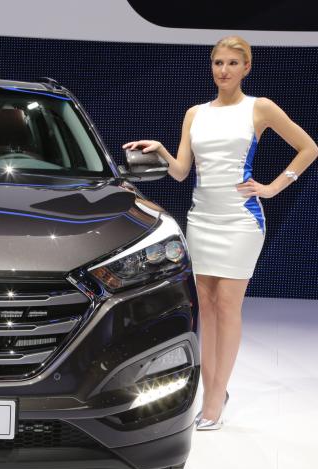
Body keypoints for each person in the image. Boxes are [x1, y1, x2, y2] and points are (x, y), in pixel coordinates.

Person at [123, 36, 318, 430]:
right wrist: (160, 150)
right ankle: (212, 389)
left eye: (232, 63)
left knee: (228, 306)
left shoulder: (259, 108)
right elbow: (182, 172)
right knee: (207, 308)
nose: (224, 70)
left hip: (241, 220)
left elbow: (309, 148)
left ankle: (214, 400)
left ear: (247, 67)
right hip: (202, 219)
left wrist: (273, 188)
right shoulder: (195, 113)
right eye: (218, 63)